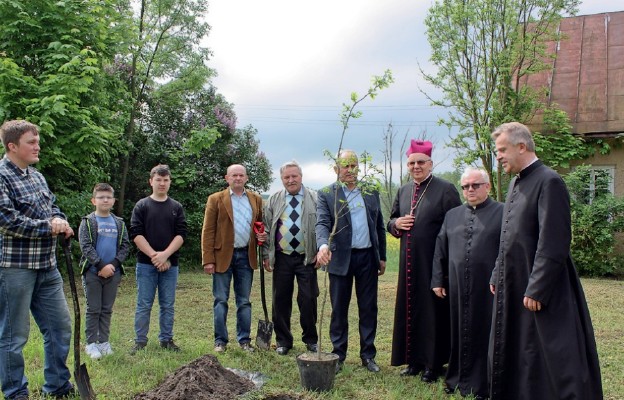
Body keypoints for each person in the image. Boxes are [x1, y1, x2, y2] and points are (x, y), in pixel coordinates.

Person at [489, 122, 602, 400]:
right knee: (523, 347)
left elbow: (555, 239)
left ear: (522, 146)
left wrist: (537, 286)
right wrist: (497, 273)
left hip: (542, 287)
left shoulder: (549, 180)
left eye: (502, 150)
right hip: (515, 280)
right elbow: (509, 236)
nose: (498, 156)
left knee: (552, 353)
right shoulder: (516, 182)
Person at [0, 120, 76, 399]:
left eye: (37, 140)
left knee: (59, 327)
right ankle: (15, 392)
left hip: (47, 267)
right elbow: (7, 221)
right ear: (12, 146)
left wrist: (61, 221)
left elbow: (52, 206)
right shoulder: (1, 176)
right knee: (13, 337)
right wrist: (48, 226)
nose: (37, 146)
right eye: (31, 142)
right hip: (15, 269)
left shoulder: (36, 176)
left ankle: (57, 386)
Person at [387, 140, 461, 382]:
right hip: (408, 266)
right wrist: (396, 224)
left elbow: (456, 226)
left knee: (432, 314)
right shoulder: (404, 190)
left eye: (420, 162)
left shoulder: (446, 188)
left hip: (434, 263)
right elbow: (391, 221)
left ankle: (433, 363)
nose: (416, 166)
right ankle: (414, 361)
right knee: (411, 311)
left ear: (430, 163)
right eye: (411, 163)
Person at [431, 168, 503, 399]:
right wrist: (437, 280)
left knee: (484, 331)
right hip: (457, 287)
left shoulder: (503, 212)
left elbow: (507, 248)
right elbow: (440, 248)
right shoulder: (452, 215)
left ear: (488, 186)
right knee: (458, 331)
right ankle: (457, 378)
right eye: (465, 186)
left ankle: (483, 382)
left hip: (488, 287)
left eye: (475, 185)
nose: (470, 190)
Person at [316, 150, 386, 374]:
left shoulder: (370, 190)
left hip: (367, 257)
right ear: (336, 169)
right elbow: (322, 223)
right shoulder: (327, 193)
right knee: (339, 309)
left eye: (353, 165)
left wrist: (381, 255)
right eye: (345, 166)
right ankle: (338, 355)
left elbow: (378, 226)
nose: (350, 170)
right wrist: (323, 245)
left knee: (368, 308)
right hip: (340, 258)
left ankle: (368, 355)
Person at [202, 164, 266, 353]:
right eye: (234, 175)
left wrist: (262, 236)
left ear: (246, 178)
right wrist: (208, 259)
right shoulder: (216, 199)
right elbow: (208, 231)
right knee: (221, 299)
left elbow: (260, 226)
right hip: (222, 256)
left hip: (246, 255)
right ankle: (220, 341)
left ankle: (244, 340)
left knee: (244, 301)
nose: (238, 178)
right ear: (227, 178)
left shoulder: (256, 199)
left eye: (241, 175)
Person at [262, 160, 319, 355]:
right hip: (282, 257)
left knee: (308, 299)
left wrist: (320, 252)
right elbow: (268, 228)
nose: (291, 180)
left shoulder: (314, 197)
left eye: (294, 176)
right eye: (287, 177)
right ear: (282, 179)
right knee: (281, 300)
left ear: (301, 177)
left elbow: (322, 226)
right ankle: (283, 341)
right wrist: (266, 255)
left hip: (307, 258)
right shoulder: (274, 199)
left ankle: (311, 339)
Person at [130, 164, 187, 354]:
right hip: (146, 265)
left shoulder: (176, 207)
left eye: (166, 180)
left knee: (167, 304)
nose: (162, 183)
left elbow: (181, 235)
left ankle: (166, 340)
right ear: (151, 181)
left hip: (171, 265)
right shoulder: (142, 206)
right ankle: (140, 341)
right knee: (144, 304)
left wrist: (165, 256)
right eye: (158, 180)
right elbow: (136, 234)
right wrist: (155, 257)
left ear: (169, 182)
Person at [78, 183, 130, 359]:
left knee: (107, 308)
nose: (105, 200)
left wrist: (113, 265)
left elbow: (125, 246)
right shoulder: (88, 222)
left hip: (113, 274)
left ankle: (104, 342)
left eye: (108, 197)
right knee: (94, 308)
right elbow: (85, 246)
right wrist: (100, 266)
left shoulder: (119, 223)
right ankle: (91, 343)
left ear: (113, 200)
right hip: (93, 272)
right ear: (94, 200)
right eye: (101, 197)